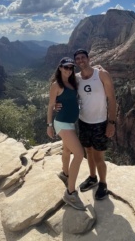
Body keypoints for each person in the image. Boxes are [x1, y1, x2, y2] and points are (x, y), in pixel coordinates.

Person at [73, 49, 116, 200]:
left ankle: (103, 184)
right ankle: (93, 178)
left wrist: (111, 122)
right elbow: (62, 88)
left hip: (100, 122)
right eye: (77, 59)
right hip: (84, 121)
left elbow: (112, 99)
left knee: (99, 157)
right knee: (89, 152)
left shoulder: (101, 75)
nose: (80, 60)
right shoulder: (77, 78)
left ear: (88, 58)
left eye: (82, 57)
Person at [46, 57, 86, 210]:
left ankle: (65, 173)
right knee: (79, 154)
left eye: (71, 68)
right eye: (66, 67)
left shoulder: (73, 81)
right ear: (60, 68)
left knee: (68, 150)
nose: (68, 70)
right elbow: (50, 106)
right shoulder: (56, 85)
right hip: (61, 123)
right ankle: (70, 193)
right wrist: (49, 125)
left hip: (70, 123)